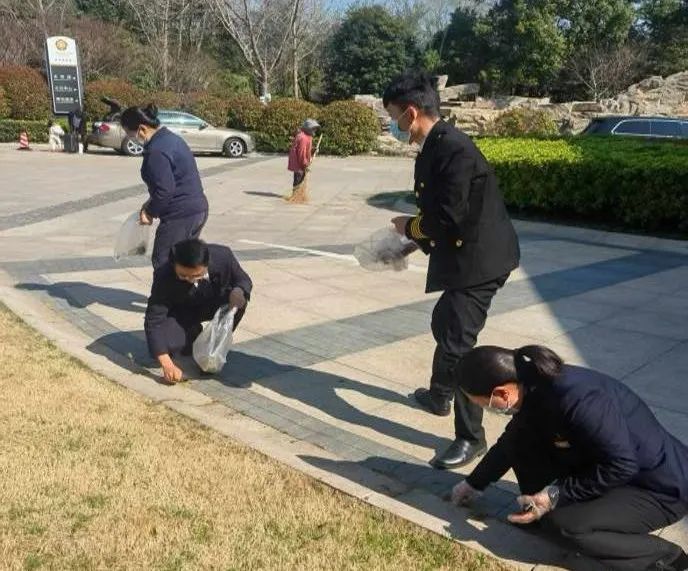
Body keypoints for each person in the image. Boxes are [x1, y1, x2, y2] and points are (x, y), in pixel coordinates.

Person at [382, 70, 520, 469]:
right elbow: (441, 214)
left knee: (458, 344)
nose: (393, 125)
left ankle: (471, 438)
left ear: (410, 113)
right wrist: (412, 240)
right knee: (444, 322)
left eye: (393, 116)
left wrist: (410, 228)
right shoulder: (436, 145)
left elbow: (448, 218)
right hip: (466, 254)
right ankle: (440, 395)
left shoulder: (453, 148)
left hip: (482, 261)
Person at [451, 345, 688, 571]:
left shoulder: (578, 399)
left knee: (566, 526)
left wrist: (556, 495)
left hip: (658, 488)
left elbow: (622, 466)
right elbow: (510, 441)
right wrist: (473, 483)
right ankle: (539, 516)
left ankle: (663, 557)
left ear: (502, 393)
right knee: (518, 440)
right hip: (606, 464)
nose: (485, 408)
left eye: (482, 404)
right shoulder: (532, 385)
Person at [145, 239, 252, 384]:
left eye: (196, 275)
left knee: (239, 302)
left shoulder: (223, 256)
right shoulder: (164, 275)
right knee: (170, 345)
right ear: (174, 265)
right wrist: (167, 364)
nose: (190, 280)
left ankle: (213, 348)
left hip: (214, 303)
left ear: (207, 264)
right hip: (183, 311)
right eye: (183, 276)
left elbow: (243, 279)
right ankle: (192, 332)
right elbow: (154, 319)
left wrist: (239, 290)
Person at [120, 104, 209, 270]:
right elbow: (173, 180)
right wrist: (150, 202)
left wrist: (149, 212)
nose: (129, 137)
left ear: (142, 129)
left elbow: (165, 190)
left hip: (180, 215)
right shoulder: (170, 138)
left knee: (164, 262)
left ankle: (165, 290)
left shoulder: (156, 151)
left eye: (129, 133)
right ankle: (185, 288)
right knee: (184, 261)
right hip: (197, 210)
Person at [287, 118, 319, 200]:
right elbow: (301, 153)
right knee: (299, 178)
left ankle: (298, 195)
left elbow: (306, 150)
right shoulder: (303, 138)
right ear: (308, 129)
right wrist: (305, 164)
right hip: (298, 163)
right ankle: (296, 196)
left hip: (300, 162)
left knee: (301, 177)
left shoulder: (307, 136)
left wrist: (313, 150)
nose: (315, 131)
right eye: (313, 129)